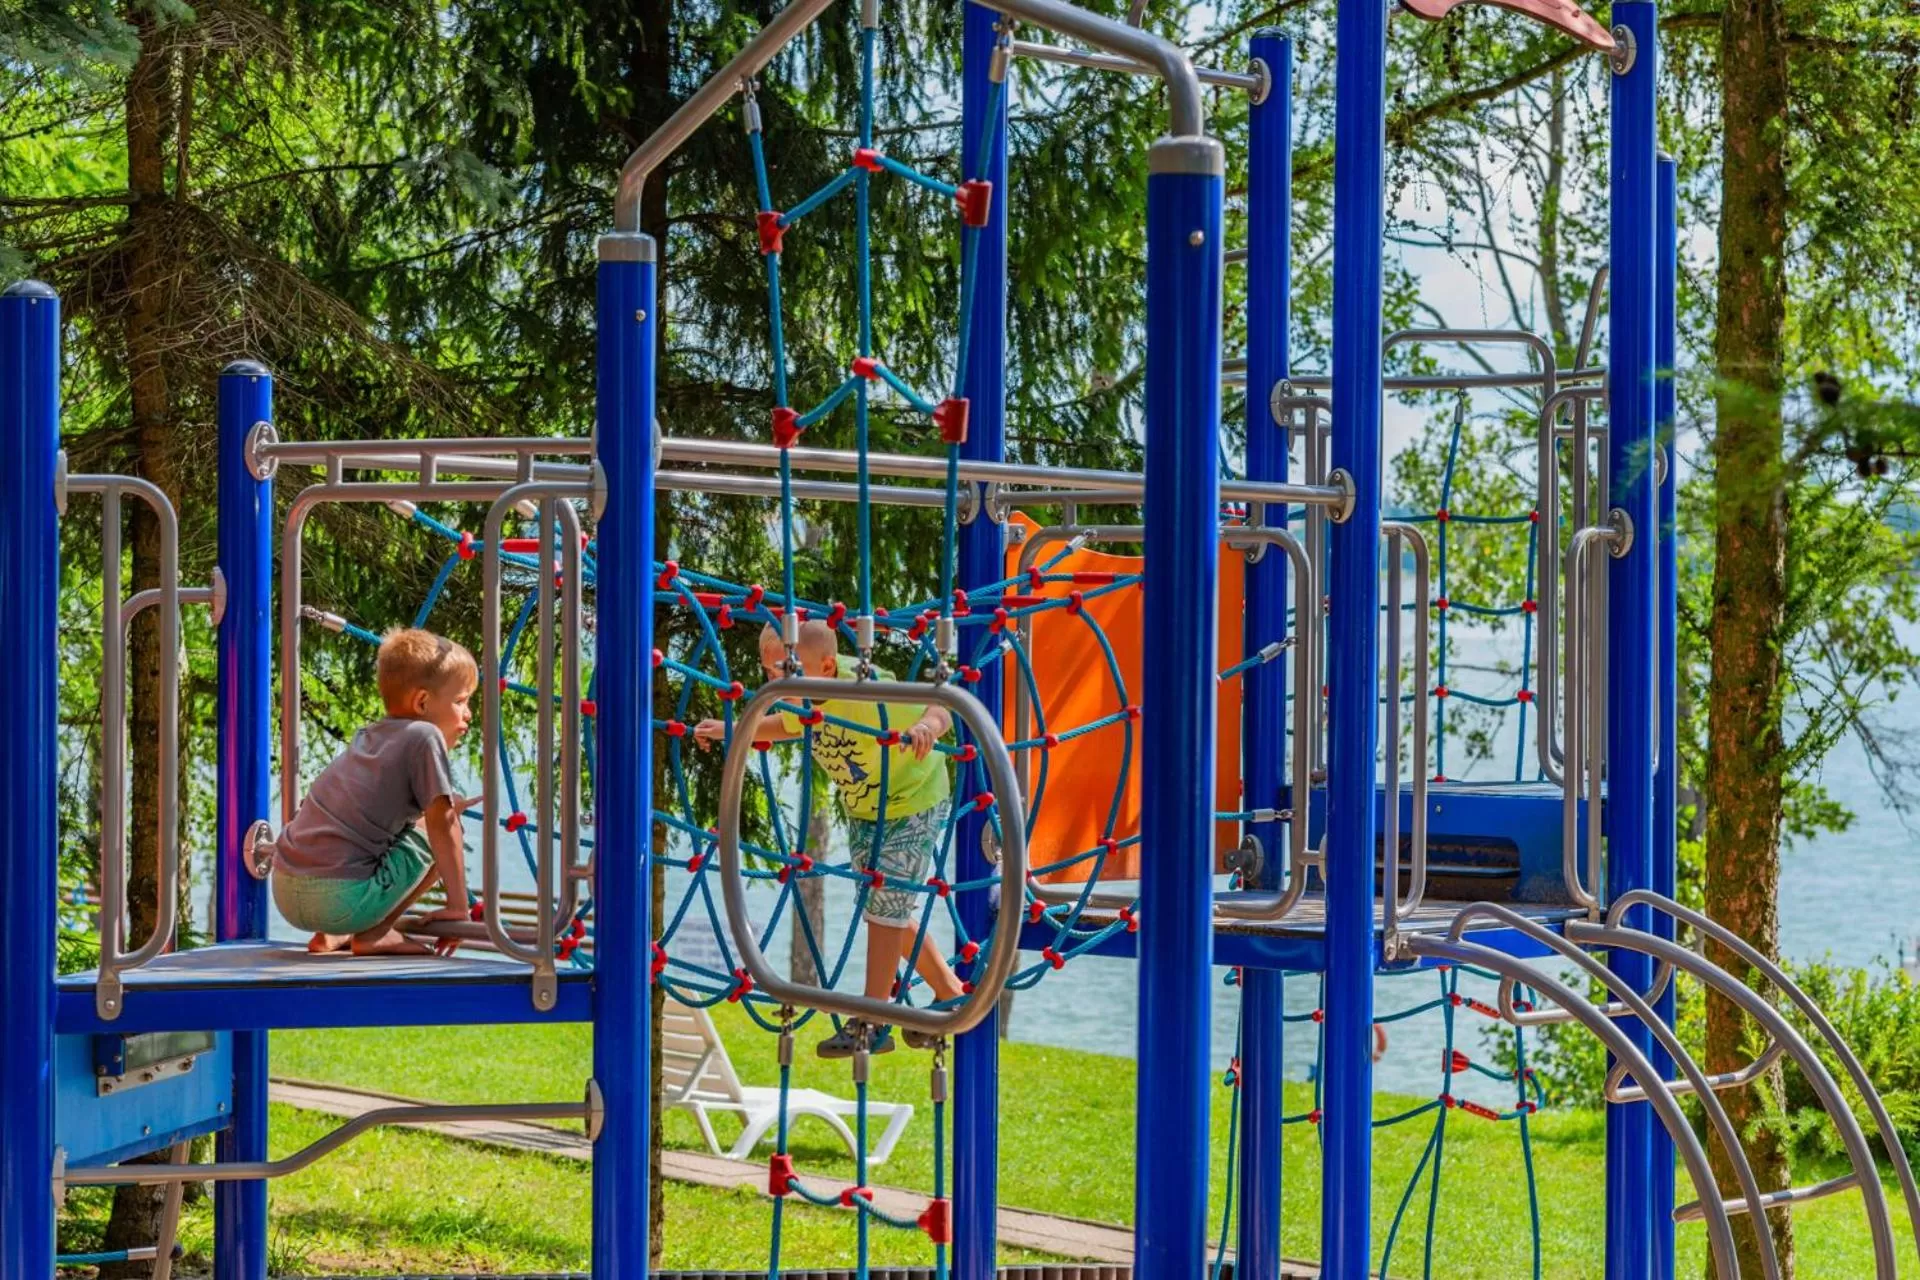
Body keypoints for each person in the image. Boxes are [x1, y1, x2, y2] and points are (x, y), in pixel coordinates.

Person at [696, 619, 963, 1057]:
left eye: (783, 670)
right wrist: (734, 730)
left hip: (913, 798)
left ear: (824, 666)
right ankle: (948, 990)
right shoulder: (803, 695)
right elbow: (787, 726)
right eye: (768, 673)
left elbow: (940, 706)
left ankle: (874, 1020)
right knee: (884, 908)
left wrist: (927, 729)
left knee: (885, 908)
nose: (774, 681)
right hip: (865, 809)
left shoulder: (866, 688)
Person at [273, 627, 476, 957]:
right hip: (338, 900)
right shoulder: (425, 736)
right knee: (447, 830)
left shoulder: (370, 735)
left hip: (284, 889)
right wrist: (458, 907)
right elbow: (443, 825)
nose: (468, 714)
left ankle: (334, 935)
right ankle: (375, 933)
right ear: (423, 701)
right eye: (461, 701)